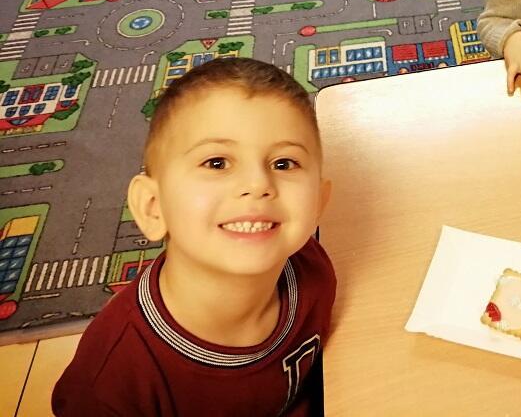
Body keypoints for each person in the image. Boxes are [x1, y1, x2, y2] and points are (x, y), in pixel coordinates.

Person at [52, 58, 335, 416]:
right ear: (153, 207)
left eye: (284, 163)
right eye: (217, 162)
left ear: (319, 202)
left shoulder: (314, 270)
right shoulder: (112, 384)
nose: (257, 184)